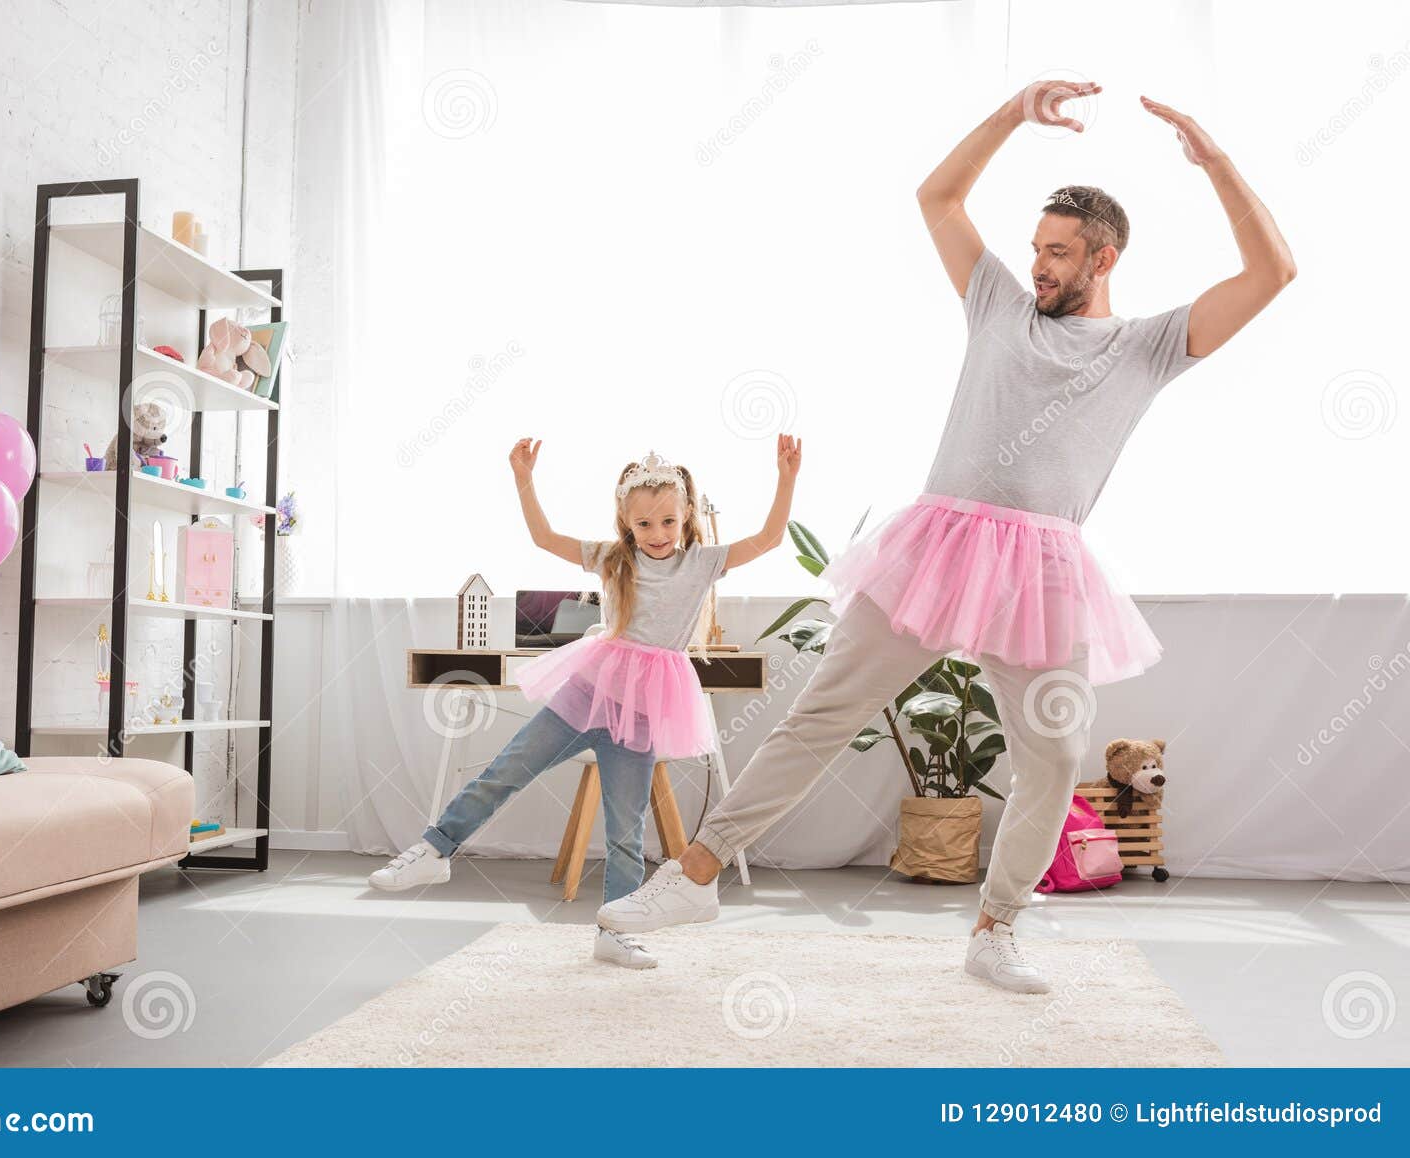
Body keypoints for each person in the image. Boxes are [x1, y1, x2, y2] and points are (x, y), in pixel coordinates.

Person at [599, 81, 1296, 993]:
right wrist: (1012, 112)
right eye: (1035, 247)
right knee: (822, 714)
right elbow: (937, 197)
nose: (1038, 264)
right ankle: (691, 878)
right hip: (934, 549)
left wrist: (1218, 167)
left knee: (1051, 752)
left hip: (1043, 569)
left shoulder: (1149, 346)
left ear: (1104, 256)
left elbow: (1273, 273)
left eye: (1057, 253)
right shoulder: (999, 305)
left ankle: (997, 927)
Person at [371, 435, 803, 969]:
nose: (658, 534)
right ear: (627, 524)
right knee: (506, 769)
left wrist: (785, 481)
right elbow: (545, 537)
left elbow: (768, 539)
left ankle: (614, 930)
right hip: (589, 692)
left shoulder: (703, 563)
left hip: (643, 709)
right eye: (644, 524)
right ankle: (436, 849)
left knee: (627, 826)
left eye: (668, 522)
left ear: (687, 514)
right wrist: (525, 482)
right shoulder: (614, 558)